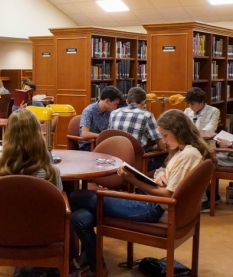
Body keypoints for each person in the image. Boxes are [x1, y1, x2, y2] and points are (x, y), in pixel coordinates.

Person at [69, 109, 216, 277]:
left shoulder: (188, 155)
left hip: (153, 208)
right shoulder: (186, 150)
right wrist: (161, 173)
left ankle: (84, 258)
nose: (164, 141)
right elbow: (168, 171)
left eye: (166, 135)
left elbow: (167, 195)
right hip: (155, 204)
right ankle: (96, 265)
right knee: (79, 218)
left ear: (178, 131)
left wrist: (132, 178)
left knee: (77, 196)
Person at [0, 108, 62, 206]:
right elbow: (57, 206)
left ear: (8, 135)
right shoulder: (52, 173)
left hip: (1, 221)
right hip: (38, 221)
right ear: (39, 135)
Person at [78, 86, 123, 151]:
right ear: (107, 101)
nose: (115, 107)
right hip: (89, 144)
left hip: (102, 142)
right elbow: (84, 134)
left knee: (121, 148)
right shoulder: (89, 111)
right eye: (115, 104)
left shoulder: (110, 112)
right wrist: (102, 136)